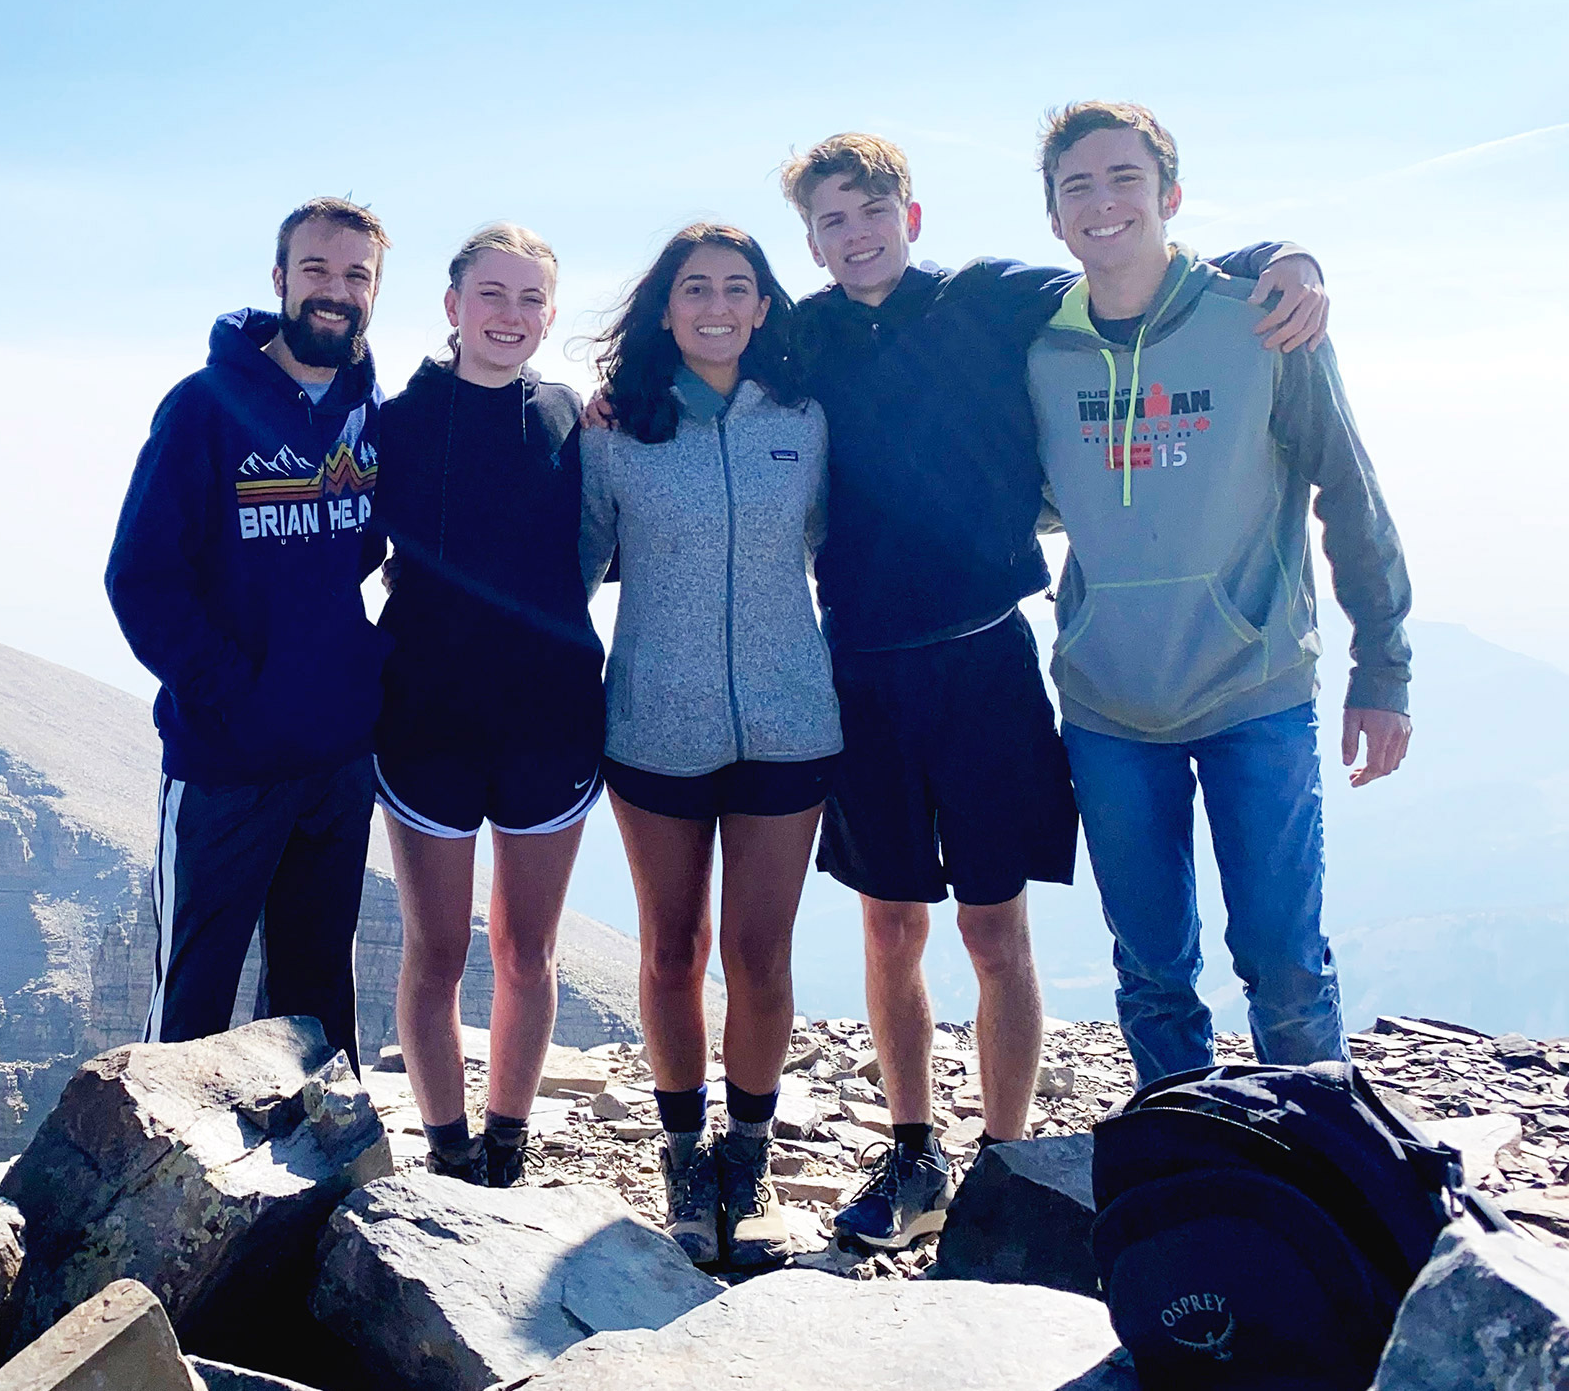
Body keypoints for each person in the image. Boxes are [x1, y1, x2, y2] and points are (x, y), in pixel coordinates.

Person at [776, 133, 1332, 1251]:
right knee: (890, 925)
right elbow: (707, 359)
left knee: (995, 929)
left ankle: (1005, 1157)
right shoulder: (801, 334)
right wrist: (611, 400)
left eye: (869, 210)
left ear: (911, 215)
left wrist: (1292, 255)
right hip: (862, 664)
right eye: (830, 221)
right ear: (811, 239)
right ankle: (913, 1148)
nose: (854, 234)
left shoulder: (989, 297)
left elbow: (1138, 268)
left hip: (985, 658)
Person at [1026, 101, 1411, 1089]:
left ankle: (1324, 1185)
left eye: (1124, 179)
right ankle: (1186, 1186)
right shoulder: (1040, 354)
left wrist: (1385, 666)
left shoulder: (1260, 321)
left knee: (1283, 968)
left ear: (1170, 195)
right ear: (1054, 217)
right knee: (1151, 974)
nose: (1102, 203)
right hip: (1109, 704)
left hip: (1255, 690)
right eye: (1078, 186)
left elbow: (1348, 491)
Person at [579, 224, 837, 1271]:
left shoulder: (806, 422)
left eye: (737, 287)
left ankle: (750, 1156)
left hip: (788, 721)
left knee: (760, 956)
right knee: (671, 950)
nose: (717, 303)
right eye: (696, 287)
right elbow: (569, 563)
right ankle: (684, 1159)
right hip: (653, 724)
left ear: (765, 305)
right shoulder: (611, 430)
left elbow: (838, 536)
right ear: (666, 305)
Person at [104, 196, 392, 1074]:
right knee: (192, 1005)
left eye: (355, 276)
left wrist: (356, 674)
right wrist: (233, 691)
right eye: (316, 271)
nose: (334, 292)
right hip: (227, 761)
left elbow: (372, 550)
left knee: (314, 1006)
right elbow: (141, 578)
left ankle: (315, 1194)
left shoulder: (369, 409)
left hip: (337, 761)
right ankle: (151, 1192)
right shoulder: (203, 407)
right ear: (280, 280)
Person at [373, 223, 606, 1188]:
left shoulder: (572, 419)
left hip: (551, 718)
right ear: (453, 306)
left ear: (549, 314)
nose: (510, 316)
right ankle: (448, 1144)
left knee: (527, 947)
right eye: (492, 295)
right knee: (435, 949)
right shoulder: (395, 422)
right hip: (426, 718)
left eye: (530, 300)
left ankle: (506, 1146)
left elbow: (611, 540)